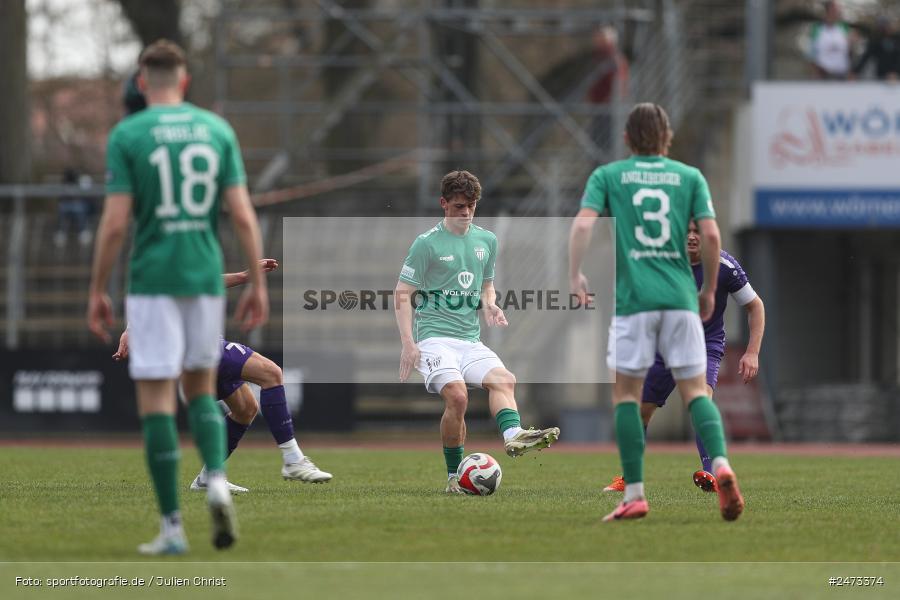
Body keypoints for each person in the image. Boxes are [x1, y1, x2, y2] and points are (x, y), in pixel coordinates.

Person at [87, 39, 268, 555]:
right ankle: (214, 483)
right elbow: (242, 214)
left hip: (152, 281)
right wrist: (256, 282)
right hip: (202, 278)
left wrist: (99, 289)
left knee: (158, 405)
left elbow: (116, 222)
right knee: (198, 389)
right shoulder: (216, 130)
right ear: (184, 81)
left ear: (143, 83)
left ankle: (171, 529)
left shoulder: (129, 133)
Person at [569, 102, 744, 522]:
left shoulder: (608, 175)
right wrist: (708, 290)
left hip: (636, 302)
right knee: (697, 393)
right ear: (666, 138)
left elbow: (581, 226)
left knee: (628, 395)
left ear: (627, 139)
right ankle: (719, 464)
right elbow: (713, 233)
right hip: (681, 299)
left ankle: (634, 494)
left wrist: (575, 275)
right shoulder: (690, 177)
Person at [394, 170, 561, 493]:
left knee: (505, 379)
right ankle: (453, 477)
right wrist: (408, 343)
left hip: (468, 339)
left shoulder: (487, 240)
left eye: (471, 206)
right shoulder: (426, 244)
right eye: (458, 206)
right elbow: (402, 292)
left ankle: (513, 437)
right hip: (433, 339)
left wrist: (489, 304)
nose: (466, 213)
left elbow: (487, 286)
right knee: (458, 396)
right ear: (444, 204)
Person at [112, 259, 332, 492]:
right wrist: (130, 329)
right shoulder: (170, 249)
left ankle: (209, 475)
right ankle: (293, 459)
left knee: (246, 408)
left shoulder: (185, 249)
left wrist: (244, 276)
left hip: (202, 347)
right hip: (199, 347)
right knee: (271, 373)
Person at [602, 219, 765, 494]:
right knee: (641, 410)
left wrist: (752, 353)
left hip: (704, 344)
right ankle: (630, 477)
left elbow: (755, 306)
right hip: (665, 344)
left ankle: (712, 473)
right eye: (685, 231)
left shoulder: (724, 266)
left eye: (696, 231)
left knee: (701, 400)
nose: (691, 236)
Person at [587, 25, 629, 155]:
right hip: (600, 109)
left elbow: (617, 83)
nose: (596, 41)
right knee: (597, 144)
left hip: (608, 110)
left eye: (600, 38)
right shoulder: (599, 59)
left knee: (607, 146)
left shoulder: (613, 60)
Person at [808, 1, 853, 80]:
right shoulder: (817, 28)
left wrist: (851, 72)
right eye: (834, 10)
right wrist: (814, 72)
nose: (837, 13)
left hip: (841, 74)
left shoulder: (844, 27)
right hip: (823, 74)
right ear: (827, 12)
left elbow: (849, 51)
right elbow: (812, 52)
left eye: (838, 10)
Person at [852, 16, 900, 81]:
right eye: (881, 26)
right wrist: (855, 72)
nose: (884, 28)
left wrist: (895, 71)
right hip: (882, 76)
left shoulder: (896, 39)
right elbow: (866, 56)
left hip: (896, 76)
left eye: (885, 25)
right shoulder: (876, 40)